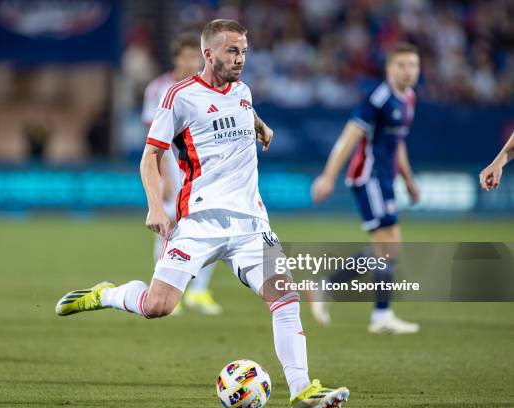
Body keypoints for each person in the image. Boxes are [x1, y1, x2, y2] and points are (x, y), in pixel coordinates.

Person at [56, 19, 350, 407]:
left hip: (251, 224)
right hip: (199, 221)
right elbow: (150, 156)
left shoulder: (243, 92)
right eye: (232, 51)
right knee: (157, 307)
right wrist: (155, 206)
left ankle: (303, 390)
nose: (240, 59)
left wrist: (261, 126)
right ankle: (106, 295)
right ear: (208, 54)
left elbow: (239, 110)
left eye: (244, 51)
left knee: (285, 298)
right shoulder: (178, 96)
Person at [311, 43, 421, 334]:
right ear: (389, 68)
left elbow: (398, 143)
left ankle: (336, 292)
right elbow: (349, 137)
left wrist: (408, 180)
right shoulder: (379, 99)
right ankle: (374, 312)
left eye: (413, 65)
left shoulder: (408, 98)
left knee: (387, 248)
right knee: (389, 245)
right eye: (402, 65)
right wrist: (327, 177)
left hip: (385, 179)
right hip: (368, 177)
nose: (408, 71)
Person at [142, 33, 221, 315]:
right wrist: (162, 176)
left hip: (199, 166)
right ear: (176, 58)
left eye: (195, 57)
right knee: (167, 226)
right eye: (186, 56)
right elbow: (153, 138)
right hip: (172, 165)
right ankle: (162, 289)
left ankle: (198, 292)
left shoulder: (206, 86)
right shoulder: (159, 89)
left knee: (209, 223)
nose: (191, 62)